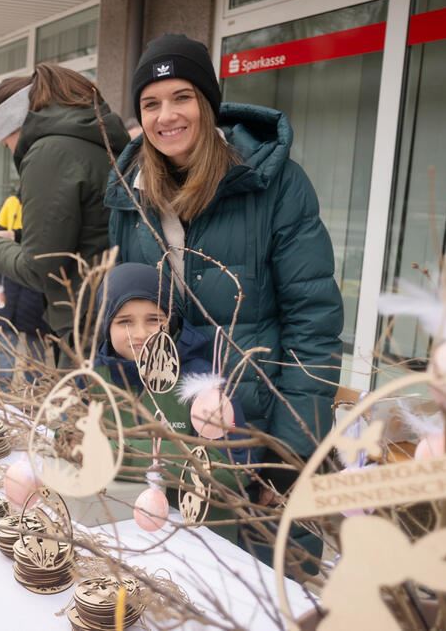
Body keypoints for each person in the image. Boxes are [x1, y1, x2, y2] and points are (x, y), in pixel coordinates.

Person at [107, 33, 342, 565]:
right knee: (172, 578)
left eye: (182, 97)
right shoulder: (129, 193)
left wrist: (288, 454)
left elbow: (313, 322)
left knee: (261, 586)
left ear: (208, 103)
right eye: (151, 103)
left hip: (258, 436)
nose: (167, 115)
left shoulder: (274, 184)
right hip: (169, 439)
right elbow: (124, 312)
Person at [0, 63, 129, 364]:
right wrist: (18, 236)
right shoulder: (91, 140)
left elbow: (40, 268)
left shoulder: (49, 153)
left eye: (5, 143)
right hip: (113, 309)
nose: (10, 151)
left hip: (85, 321)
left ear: (13, 126)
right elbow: (89, 230)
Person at [93, 261, 252, 541]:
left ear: (171, 319)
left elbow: (233, 470)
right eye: (125, 321)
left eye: (154, 319)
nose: (140, 333)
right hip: (118, 528)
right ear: (106, 325)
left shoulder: (201, 383)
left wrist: (121, 453)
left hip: (196, 537)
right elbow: (67, 436)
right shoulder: (95, 378)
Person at [0, 193, 51, 388]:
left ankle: (32, 399)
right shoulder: (11, 203)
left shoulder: (47, 203)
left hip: (36, 291)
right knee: (6, 353)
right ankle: (3, 396)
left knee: (35, 356)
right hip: (10, 288)